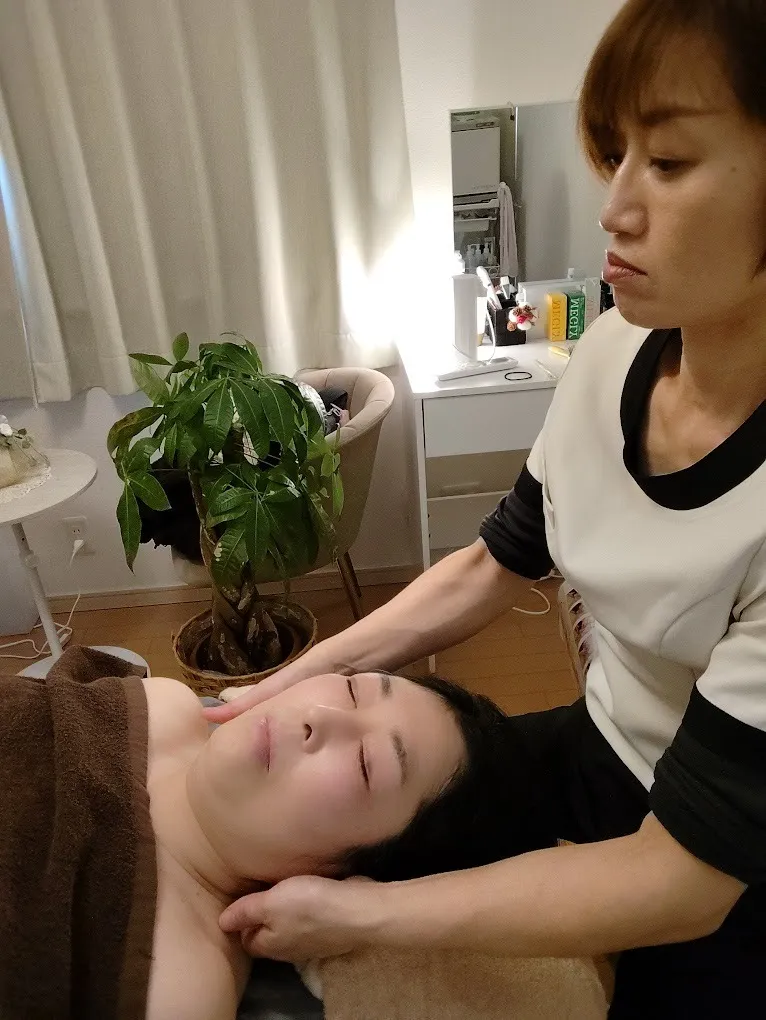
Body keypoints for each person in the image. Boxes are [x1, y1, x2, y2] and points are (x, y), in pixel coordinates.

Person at [205, 1, 766, 1014]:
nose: (615, 208)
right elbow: (494, 562)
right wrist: (285, 683)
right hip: (597, 744)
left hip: (722, 860)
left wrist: (360, 919)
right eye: (616, 156)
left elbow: (683, 879)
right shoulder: (615, 348)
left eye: (670, 163)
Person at [0, 644, 527, 1020]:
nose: (319, 715)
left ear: (347, 873)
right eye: (353, 690)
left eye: (367, 764)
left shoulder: (178, 983)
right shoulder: (164, 702)